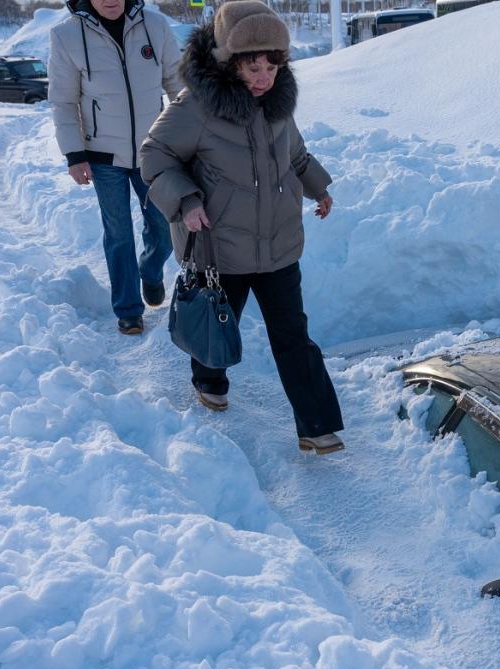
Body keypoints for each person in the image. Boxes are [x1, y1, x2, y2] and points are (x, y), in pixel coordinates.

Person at [139, 0, 345, 454]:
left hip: (278, 245)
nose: (264, 78)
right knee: (216, 322)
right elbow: (154, 155)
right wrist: (186, 200)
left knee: (293, 335)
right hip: (221, 247)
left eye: (272, 67)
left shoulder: (277, 104)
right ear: (228, 61)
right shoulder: (196, 107)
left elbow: (295, 154)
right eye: (253, 68)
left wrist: (318, 187)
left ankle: (315, 425)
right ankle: (208, 379)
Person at [48, 0, 182, 334]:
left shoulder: (155, 25)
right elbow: (63, 101)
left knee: (165, 225)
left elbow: (178, 84)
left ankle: (150, 271)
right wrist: (74, 154)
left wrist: (191, 136)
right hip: (102, 155)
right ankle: (128, 309)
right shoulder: (67, 36)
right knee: (118, 233)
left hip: (153, 151)